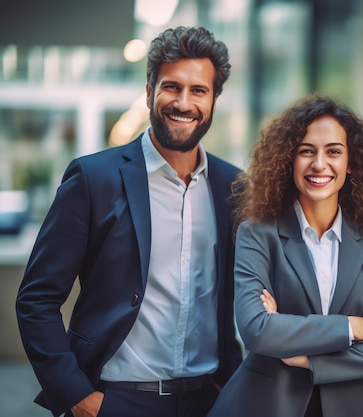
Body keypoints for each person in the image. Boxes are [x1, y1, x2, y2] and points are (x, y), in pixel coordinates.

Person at [15, 26, 242, 417]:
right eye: (172, 87)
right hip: (116, 401)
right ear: (150, 91)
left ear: (214, 100)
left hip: (210, 399)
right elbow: (37, 299)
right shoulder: (93, 179)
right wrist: (78, 398)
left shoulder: (234, 188)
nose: (183, 102)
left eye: (198, 90)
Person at [207, 94, 363, 417]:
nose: (319, 164)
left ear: (350, 162)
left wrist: (304, 356)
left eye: (333, 152)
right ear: (290, 159)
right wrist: (349, 328)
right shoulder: (257, 233)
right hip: (266, 405)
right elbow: (256, 329)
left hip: (353, 406)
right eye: (306, 151)